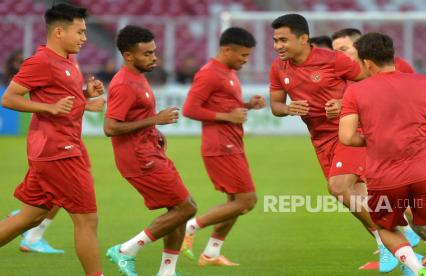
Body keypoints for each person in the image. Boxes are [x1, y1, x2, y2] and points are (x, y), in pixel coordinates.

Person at [268, 13, 403, 272]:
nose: (277, 46)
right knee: (361, 198)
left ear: (304, 38)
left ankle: (391, 241)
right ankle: (403, 252)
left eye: (283, 40)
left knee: (339, 188)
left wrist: (344, 104)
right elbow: (275, 105)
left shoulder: (332, 60)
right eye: (275, 41)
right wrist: (288, 109)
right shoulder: (278, 67)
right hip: (319, 139)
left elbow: (371, 80)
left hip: (349, 132)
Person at [332, 27, 426, 271]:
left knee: (386, 223)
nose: (346, 59)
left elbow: (347, 137)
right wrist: (421, 144)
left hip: (388, 169)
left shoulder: (362, 88)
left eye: (348, 52)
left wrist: (383, 141)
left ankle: (421, 264)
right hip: (418, 165)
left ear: (365, 58)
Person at [0, 3, 104, 276]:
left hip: (59, 148)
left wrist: (85, 98)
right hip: (58, 151)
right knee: (87, 220)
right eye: (80, 32)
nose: (84, 38)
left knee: (28, 217)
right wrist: (48, 108)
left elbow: (61, 98)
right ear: (59, 31)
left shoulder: (69, 61)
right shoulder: (41, 61)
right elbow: (8, 98)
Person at [104, 25, 197, 276]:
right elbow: (110, 127)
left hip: (149, 151)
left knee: (178, 210)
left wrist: (154, 131)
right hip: (138, 159)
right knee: (187, 208)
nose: (153, 57)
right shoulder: (124, 83)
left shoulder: (138, 77)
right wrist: (154, 121)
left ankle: (167, 272)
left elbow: (136, 116)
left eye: (154, 52)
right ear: (128, 55)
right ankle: (126, 250)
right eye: (146, 53)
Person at [181, 27, 264, 266]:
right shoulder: (209, 74)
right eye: (243, 55)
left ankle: (212, 253)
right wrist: (228, 118)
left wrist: (248, 105)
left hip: (232, 142)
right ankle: (192, 225)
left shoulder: (227, 71)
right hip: (220, 144)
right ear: (226, 50)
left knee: (235, 202)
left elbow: (226, 106)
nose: (245, 60)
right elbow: (190, 109)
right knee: (246, 200)